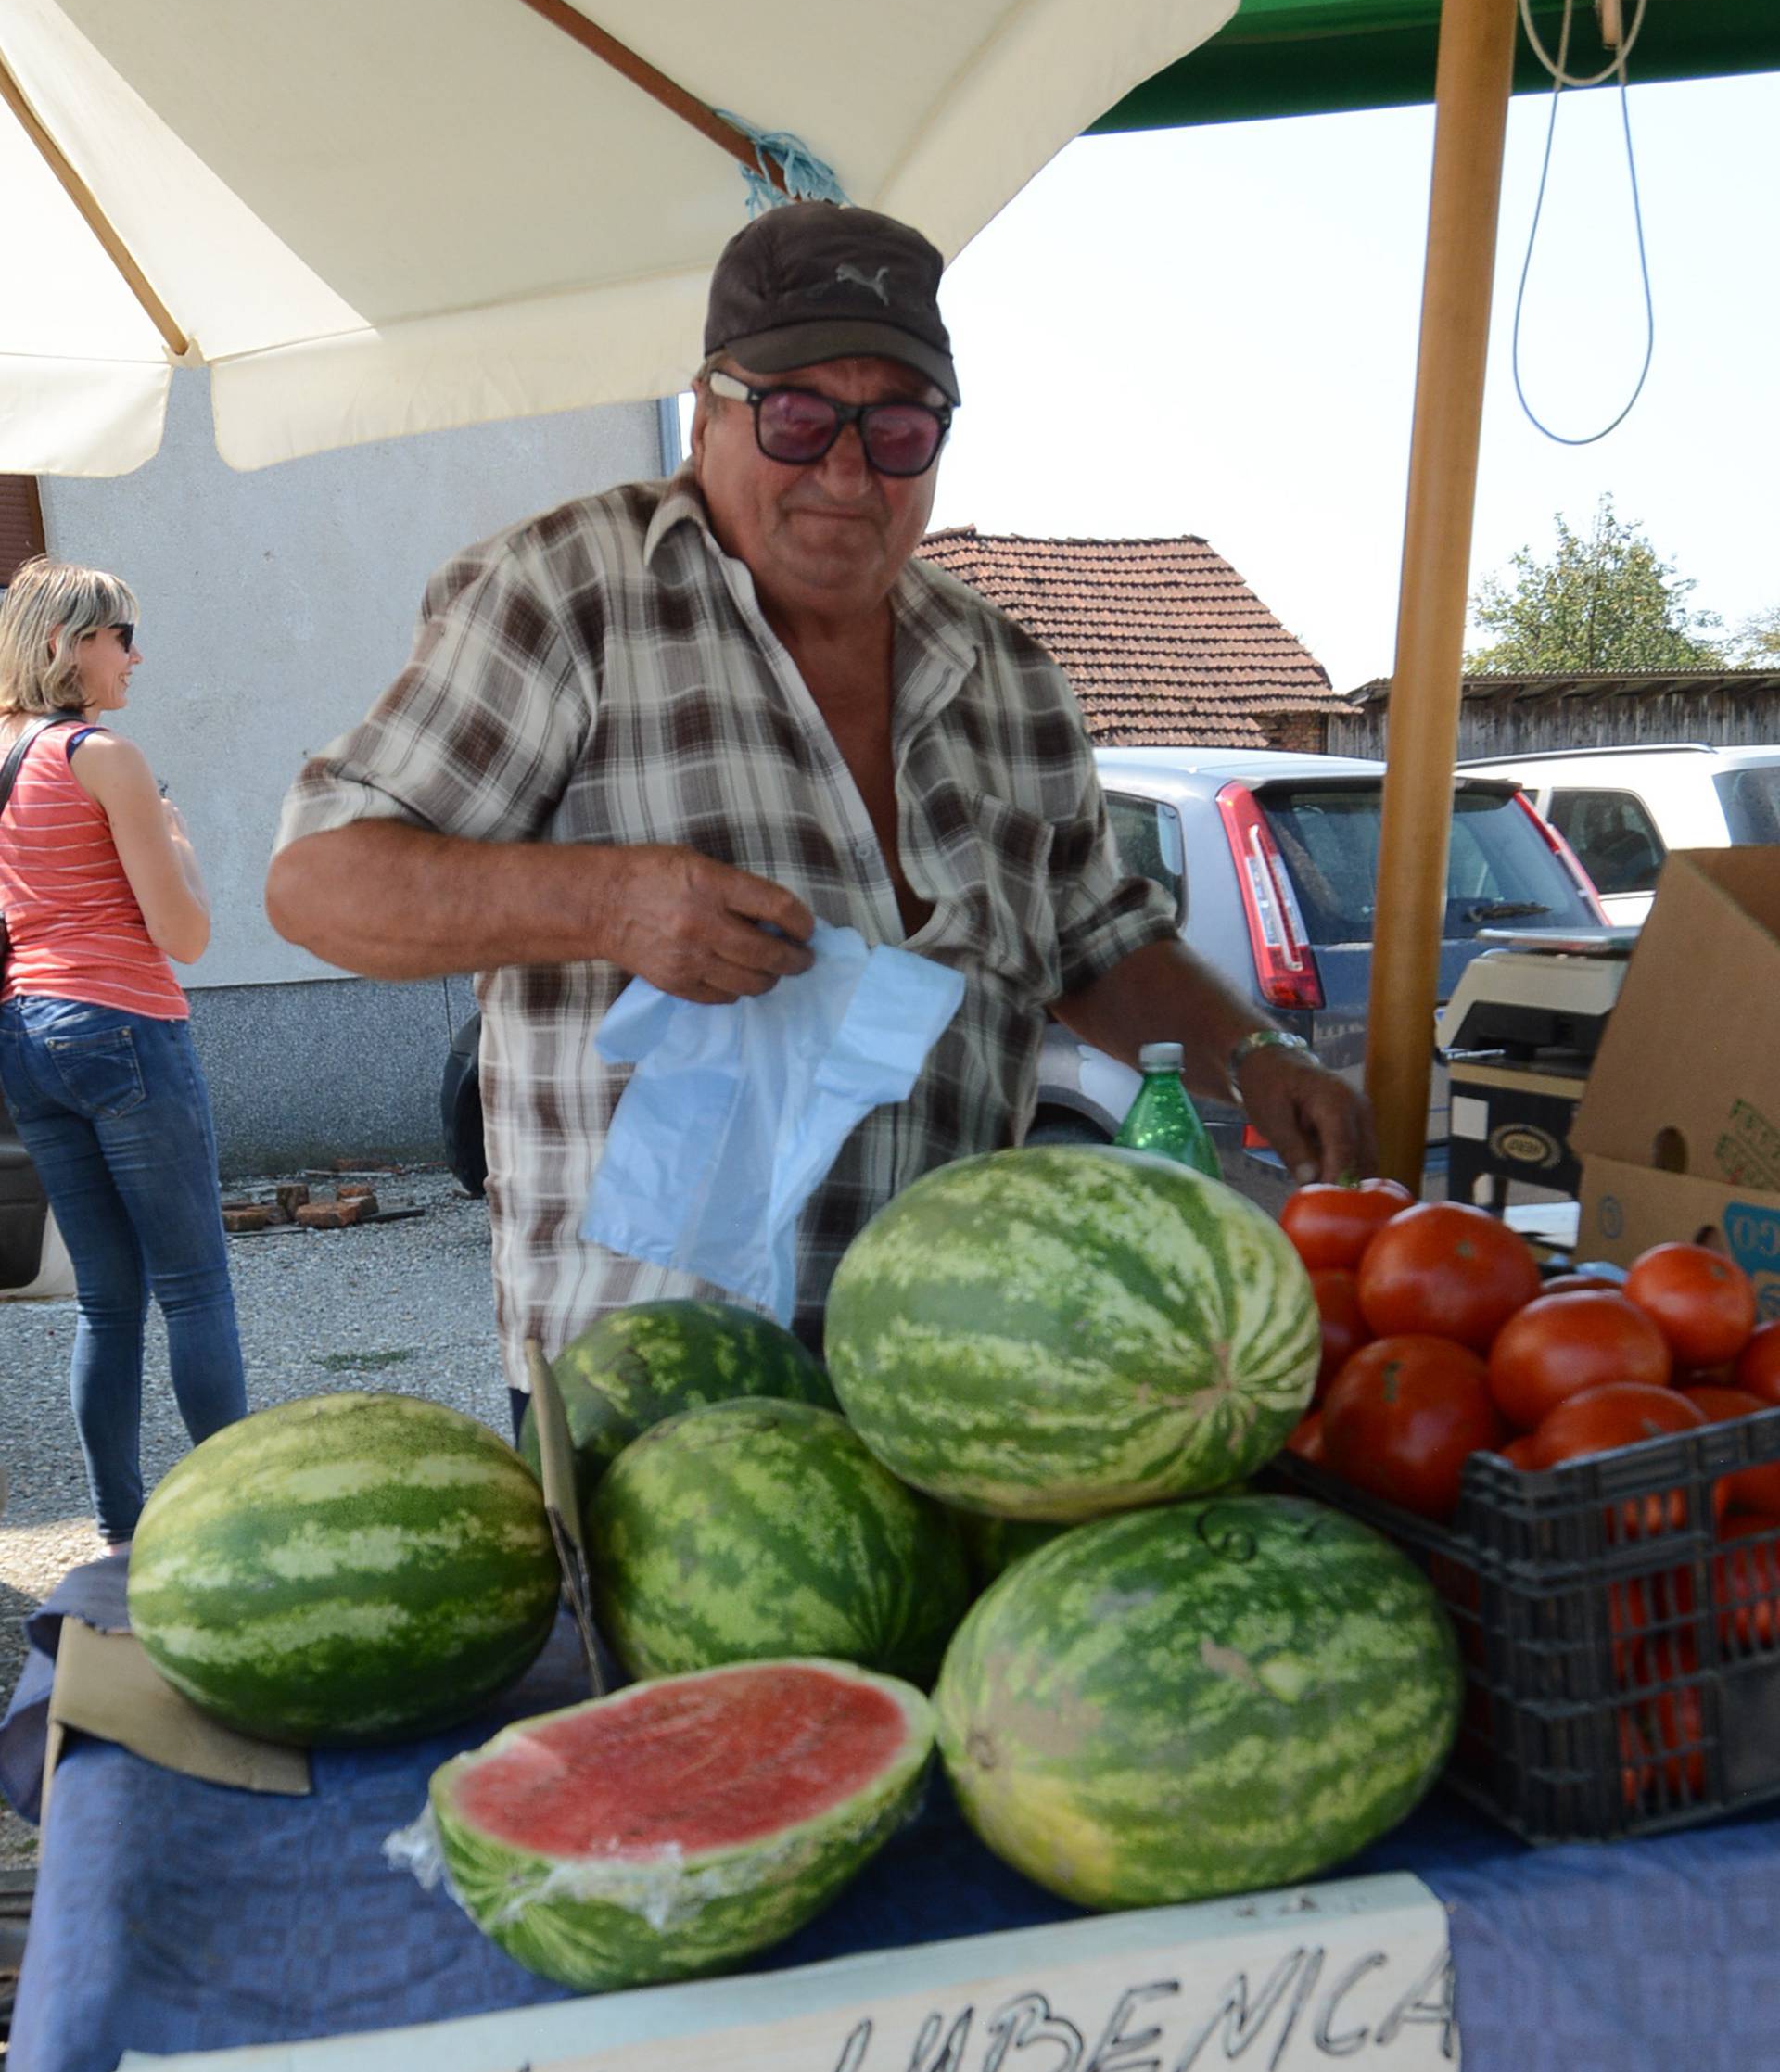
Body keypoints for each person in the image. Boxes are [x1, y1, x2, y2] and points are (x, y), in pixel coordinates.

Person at [267, 204, 1371, 1394]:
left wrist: (1256, 1060)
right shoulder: (570, 593)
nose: (847, 472)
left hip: (942, 1387)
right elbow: (321, 881)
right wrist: (605, 903)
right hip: (647, 1407)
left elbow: (1094, 942)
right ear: (707, 415)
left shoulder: (1009, 674)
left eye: (897, 429)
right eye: (798, 418)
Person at [0, 561, 247, 1549]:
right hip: (122, 1024)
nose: (135, 655)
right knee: (194, 1284)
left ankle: (117, 1527)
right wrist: (178, 833)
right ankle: (241, 1521)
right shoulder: (104, 756)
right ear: (66, 641)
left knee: (106, 1297)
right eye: (121, 634)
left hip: (27, 1036)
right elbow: (184, 933)